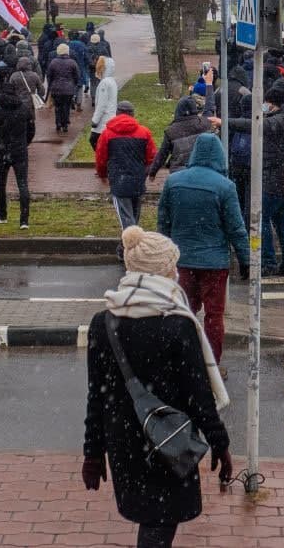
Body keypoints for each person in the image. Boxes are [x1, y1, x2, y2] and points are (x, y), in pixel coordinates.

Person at [83, 225, 232, 548]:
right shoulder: (178, 324)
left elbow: (96, 395)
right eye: (172, 266)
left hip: (124, 442)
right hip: (169, 441)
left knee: (153, 522)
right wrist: (220, 443)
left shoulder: (103, 323)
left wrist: (93, 453)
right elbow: (198, 396)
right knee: (160, 524)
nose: (176, 273)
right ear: (163, 271)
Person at [158, 133, 248, 363]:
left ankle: (182, 360)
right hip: (215, 263)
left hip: (182, 260)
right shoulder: (225, 187)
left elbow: (164, 222)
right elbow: (235, 227)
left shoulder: (174, 182)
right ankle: (211, 363)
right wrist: (246, 259)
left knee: (183, 313)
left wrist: (164, 254)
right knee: (214, 316)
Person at [233, 88, 284, 277]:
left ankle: (268, 261)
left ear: (272, 103)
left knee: (261, 219)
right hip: (282, 180)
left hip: (274, 181)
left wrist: (225, 122)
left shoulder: (278, 121)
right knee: (281, 222)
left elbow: (255, 125)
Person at [95, 101, 156, 252]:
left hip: (118, 180)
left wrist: (103, 174)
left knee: (126, 218)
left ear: (117, 113)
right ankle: (131, 246)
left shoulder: (107, 134)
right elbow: (152, 156)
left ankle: (131, 249)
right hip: (137, 180)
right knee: (134, 216)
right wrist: (146, 172)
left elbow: (101, 157)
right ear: (132, 114)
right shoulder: (144, 132)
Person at [0, 79, 34, 228]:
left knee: (1, 183)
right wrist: (24, 142)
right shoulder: (23, 109)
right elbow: (31, 130)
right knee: (22, 184)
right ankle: (24, 219)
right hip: (20, 150)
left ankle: (2, 214)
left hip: (0, 151)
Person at [148, 95, 212, 178]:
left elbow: (163, 154)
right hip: (202, 169)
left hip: (179, 173)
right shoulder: (205, 124)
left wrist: (153, 172)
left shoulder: (171, 131)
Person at [46, 44, 81, 134]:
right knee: (66, 106)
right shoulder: (72, 62)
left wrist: (51, 84)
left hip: (56, 88)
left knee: (57, 106)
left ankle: (58, 123)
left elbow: (49, 75)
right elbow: (77, 75)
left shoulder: (53, 62)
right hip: (68, 88)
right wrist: (74, 84)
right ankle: (65, 124)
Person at [89, 56, 118, 150]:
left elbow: (101, 104)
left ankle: (103, 162)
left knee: (94, 140)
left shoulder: (104, 83)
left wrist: (95, 120)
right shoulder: (112, 81)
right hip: (110, 117)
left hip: (104, 120)